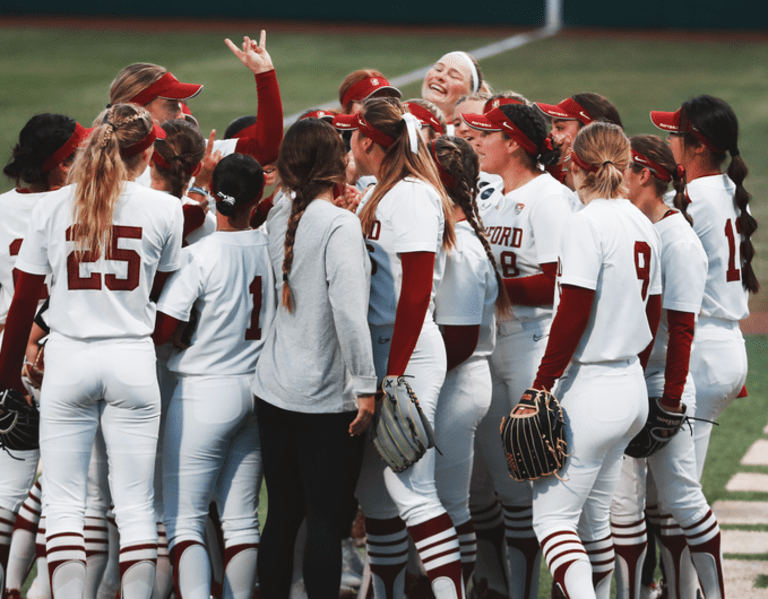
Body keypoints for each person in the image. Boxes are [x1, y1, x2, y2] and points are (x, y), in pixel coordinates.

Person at [0, 103, 183, 599]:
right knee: (136, 506)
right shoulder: (166, 209)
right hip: (131, 359)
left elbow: (23, 301)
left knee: (63, 505)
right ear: (145, 154)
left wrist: (7, 376)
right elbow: (159, 285)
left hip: (69, 359)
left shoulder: (50, 206)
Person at [522, 122, 661, 599]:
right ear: (624, 166)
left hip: (592, 387)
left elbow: (573, 312)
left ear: (574, 165)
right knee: (593, 521)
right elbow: (654, 311)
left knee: (553, 519)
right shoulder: (642, 220)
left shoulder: (585, 222)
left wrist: (540, 385)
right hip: (629, 387)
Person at [333, 97, 463, 599]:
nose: (348, 142)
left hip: (405, 349)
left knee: (412, 487)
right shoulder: (380, 192)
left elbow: (415, 291)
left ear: (368, 142)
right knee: (375, 494)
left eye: (352, 134)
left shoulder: (409, 194)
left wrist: (396, 377)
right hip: (381, 349)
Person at [250, 118, 377, 599]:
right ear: (334, 165)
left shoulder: (282, 212)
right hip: (326, 400)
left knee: (282, 515)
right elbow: (349, 313)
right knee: (327, 521)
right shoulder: (340, 224)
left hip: (274, 389)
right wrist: (366, 386)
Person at [458, 102, 574, 599]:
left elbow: (556, 285)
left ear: (514, 144)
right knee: (506, 489)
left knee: (534, 484)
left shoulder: (550, 199)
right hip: (494, 348)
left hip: (532, 342)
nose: (477, 140)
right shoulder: (494, 195)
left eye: (488, 134)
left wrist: (489, 288)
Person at [152, 153, 273, 599]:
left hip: (205, 392)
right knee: (241, 516)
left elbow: (163, 329)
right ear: (256, 198)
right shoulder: (272, 247)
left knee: (184, 517)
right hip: (258, 389)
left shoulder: (198, 255)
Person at [610, 134, 726, 599]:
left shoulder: (678, 240)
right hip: (631, 382)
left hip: (661, 384)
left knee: (682, 497)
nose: (615, 177)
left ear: (644, 175)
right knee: (623, 507)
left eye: (624, 168)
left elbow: (681, 330)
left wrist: (672, 401)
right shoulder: (637, 225)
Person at [0, 113, 90, 598]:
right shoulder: (76, 205)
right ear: (57, 166)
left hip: (10, 355)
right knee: (70, 492)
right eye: (75, 156)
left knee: (10, 490)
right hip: (60, 351)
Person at [650, 95, 756, 478]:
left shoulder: (690, 199)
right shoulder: (732, 192)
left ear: (699, 145)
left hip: (699, 352)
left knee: (672, 496)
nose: (666, 141)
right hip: (724, 347)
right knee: (674, 489)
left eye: (674, 135)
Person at [430, 136, 510, 594]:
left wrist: (406, 375)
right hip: (458, 381)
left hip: (457, 383)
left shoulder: (460, 249)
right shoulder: (460, 233)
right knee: (447, 503)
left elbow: (457, 341)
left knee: (450, 505)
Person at [109, 31, 283, 197]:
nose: (181, 115)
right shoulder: (103, 165)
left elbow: (266, 149)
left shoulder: (196, 152)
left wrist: (264, 73)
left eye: (180, 105)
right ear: (137, 108)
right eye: (171, 105)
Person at [534, 93, 622, 190]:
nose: (551, 135)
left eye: (559, 127)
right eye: (552, 128)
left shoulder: (622, 188)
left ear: (591, 135)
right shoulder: (543, 172)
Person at [421, 52, 488, 127]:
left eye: (454, 76)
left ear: (469, 96)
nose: (440, 76)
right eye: (438, 69)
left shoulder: (462, 136)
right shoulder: (408, 120)